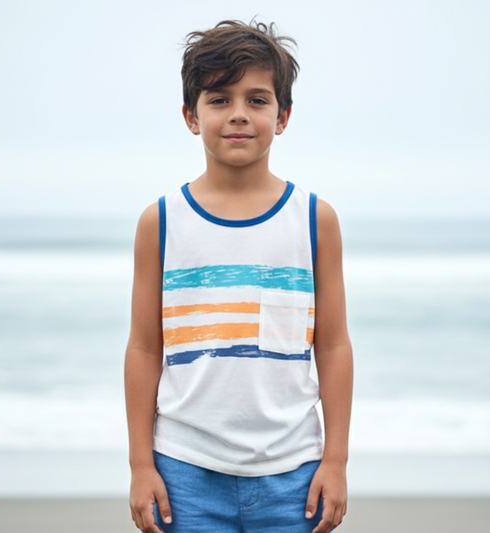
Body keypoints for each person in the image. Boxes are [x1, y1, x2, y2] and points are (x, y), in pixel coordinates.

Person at [124, 19, 353, 533]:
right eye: (219, 99)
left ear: (283, 115)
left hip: (294, 471)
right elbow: (143, 348)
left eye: (257, 99)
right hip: (183, 470)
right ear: (191, 115)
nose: (239, 115)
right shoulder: (160, 222)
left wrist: (336, 461)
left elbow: (334, 345)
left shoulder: (314, 220)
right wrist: (141, 465)